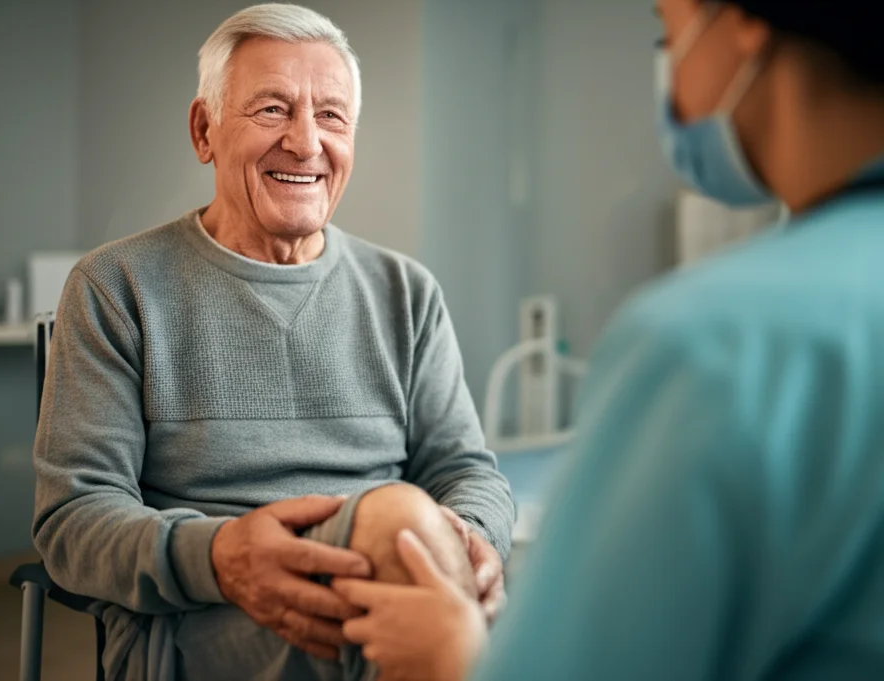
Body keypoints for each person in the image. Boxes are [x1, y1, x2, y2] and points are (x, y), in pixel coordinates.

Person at [332, 0, 884, 679]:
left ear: (744, 21)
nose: (671, 70)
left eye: (667, 31)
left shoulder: (712, 345)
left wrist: (454, 653)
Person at [31, 4, 513, 681]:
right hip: (194, 623)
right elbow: (72, 524)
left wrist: (475, 539)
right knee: (409, 544)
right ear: (204, 129)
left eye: (332, 116)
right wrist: (221, 556)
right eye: (272, 110)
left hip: (393, 587)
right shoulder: (116, 286)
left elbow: (467, 471)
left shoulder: (406, 291)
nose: (307, 142)